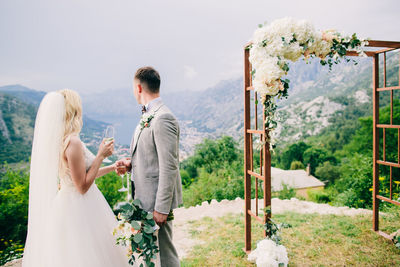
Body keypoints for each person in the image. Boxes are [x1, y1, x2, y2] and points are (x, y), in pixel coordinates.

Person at [22, 89, 131, 267]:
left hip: (66, 202)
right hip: (81, 206)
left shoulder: (60, 140)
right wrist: (101, 156)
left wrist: (112, 167)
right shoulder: (73, 142)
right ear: (74, 110)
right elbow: (82, 186)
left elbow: (83, 174)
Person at [116, 66, 183, 267]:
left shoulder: (163, 118)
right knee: (152, 253)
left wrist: (161, 208)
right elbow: (151, 156)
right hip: (144, 197)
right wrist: (131, 164)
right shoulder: (149, 114)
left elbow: (169, 166)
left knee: (165, 252)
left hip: (156, 201)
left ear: (138, 88)